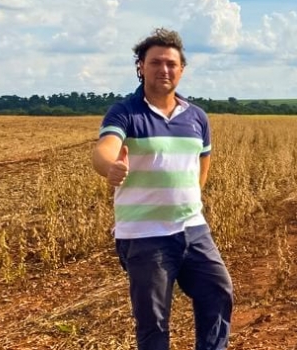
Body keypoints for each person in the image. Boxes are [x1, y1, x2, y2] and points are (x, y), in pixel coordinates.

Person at [90, 27, 233, 350]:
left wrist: (189, 203)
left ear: (182, 69)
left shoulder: (196, 117)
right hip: (144, 236)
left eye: (171, 63)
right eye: (155, 63)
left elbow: (201, 166)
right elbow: (104, 148)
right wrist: (110, 167)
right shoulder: (126, 112)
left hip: (193, 230)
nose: (164, 70)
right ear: (140, 66)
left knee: (218, 292)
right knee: (153, 322)